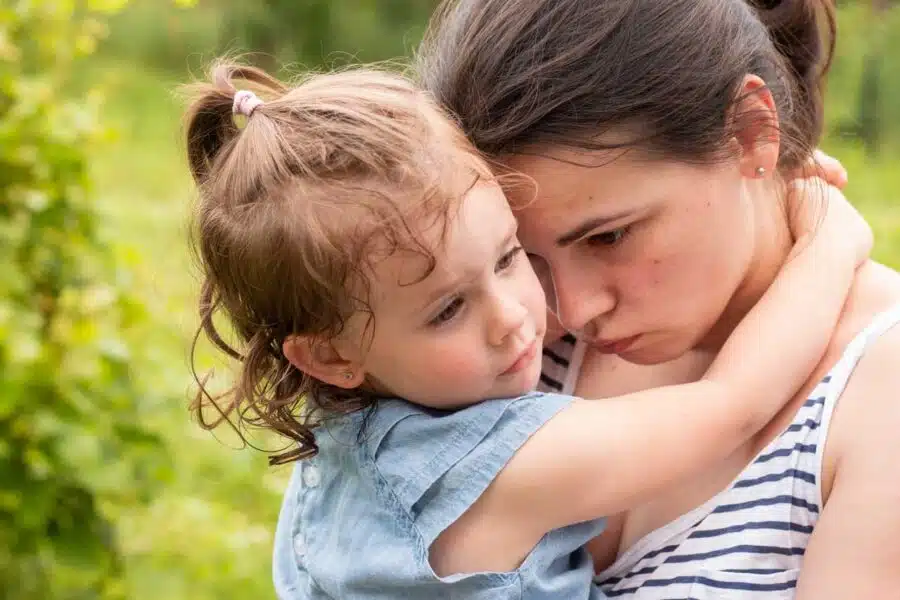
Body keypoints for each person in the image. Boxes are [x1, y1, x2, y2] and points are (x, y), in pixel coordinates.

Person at [182, 62, 867, 599]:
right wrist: (831, 234)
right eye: (448, 310)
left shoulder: (347, 436)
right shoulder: (497, 469)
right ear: (329, 356)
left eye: (512, 257)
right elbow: (729, 406)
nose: (515, 317)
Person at [416, 0, 900, 597]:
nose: (569, 310)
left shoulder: (880, 390)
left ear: (751, 132)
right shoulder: (495, 340)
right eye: (521, 254)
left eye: (608, 236)